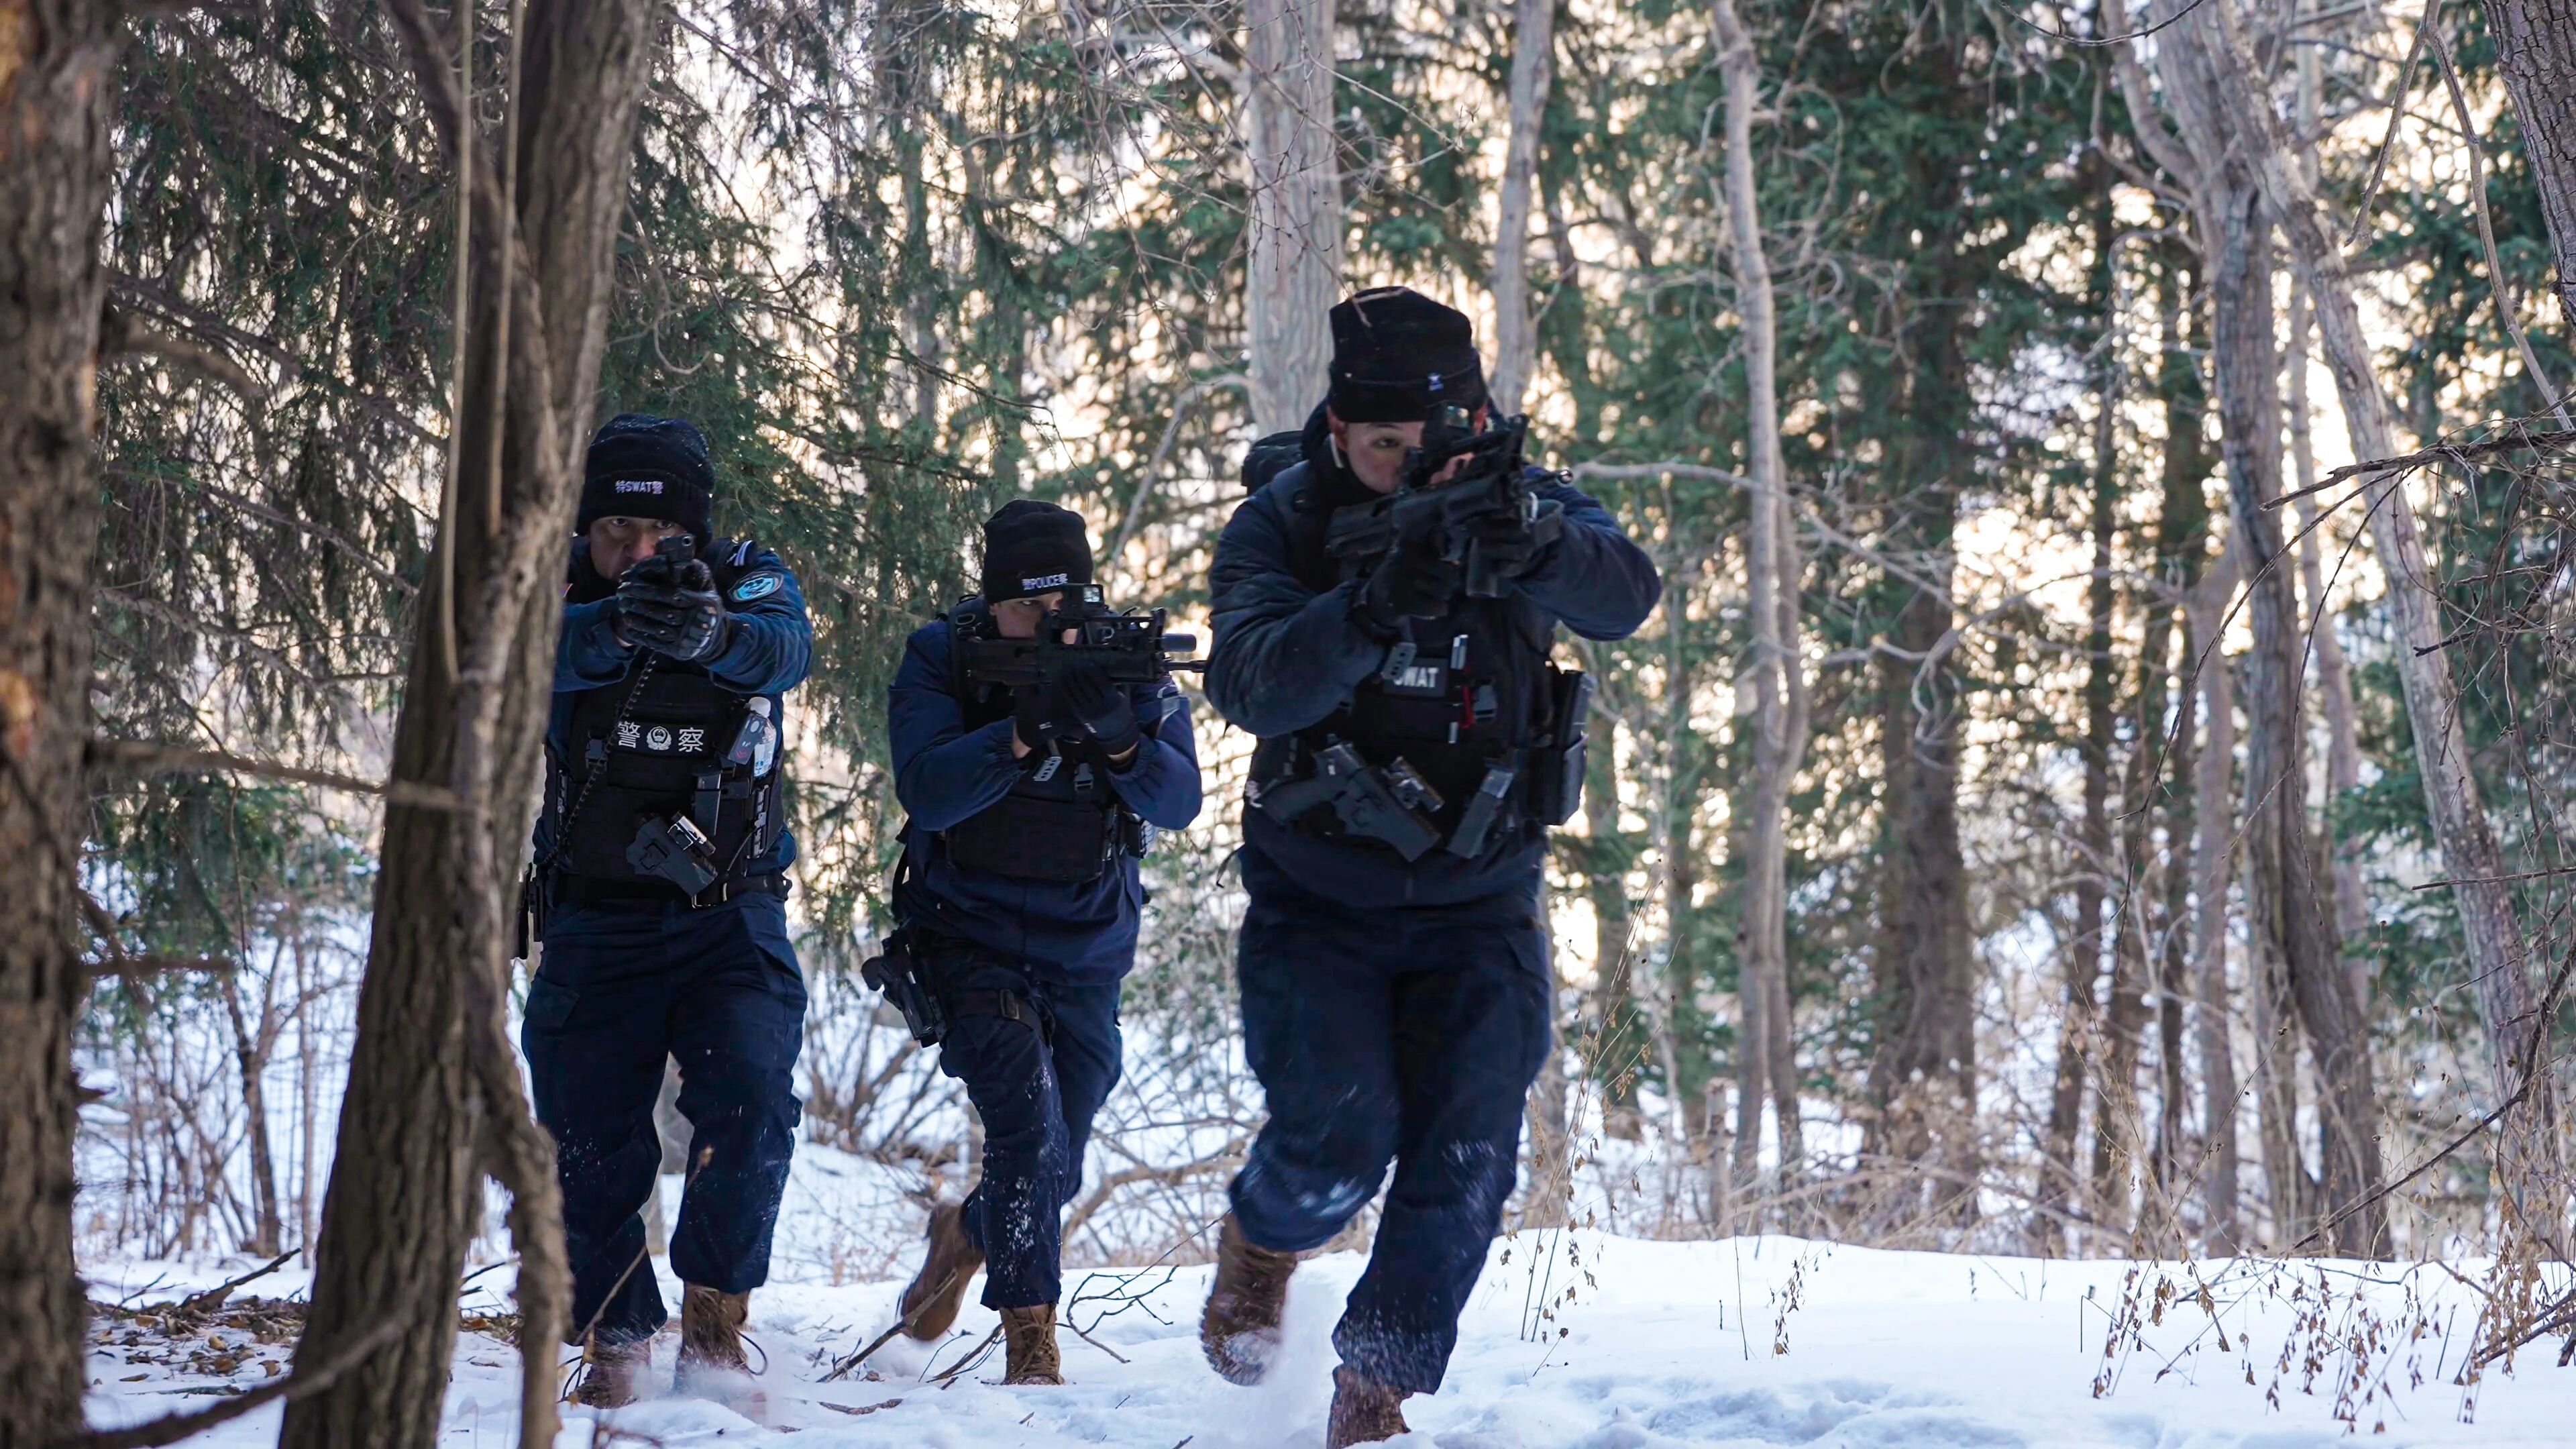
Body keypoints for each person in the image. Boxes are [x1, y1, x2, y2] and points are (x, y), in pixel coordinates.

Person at [1197, 288, 1661, 1446]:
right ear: (1341, 432)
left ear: (1481, 418)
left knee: (1467, 1149)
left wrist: (1541, 545)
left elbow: (1628, 594)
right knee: (1337, 1138)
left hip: (1481, 899)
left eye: (1433, 445)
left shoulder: (1524, 501)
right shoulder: (1286, 524)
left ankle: (1376, 1391)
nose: (1411, 470)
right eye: (1384, 447)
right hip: (1319, 900)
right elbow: (1251, 683)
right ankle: (1264, 1235)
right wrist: (1367, 605)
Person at [521, 414, 814, 1412]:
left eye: (660, 540)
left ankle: (715, 1319)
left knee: (753, 1102)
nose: (638, 555)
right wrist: (614, 630)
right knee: (584, 1134)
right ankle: (615, 1329)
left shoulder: (748, 577)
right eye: (615, 535)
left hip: (730, 918)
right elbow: (513, 657)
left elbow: (785, 648)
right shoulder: (556, 589)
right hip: (594, 919)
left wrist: (714, 635)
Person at [881, 500, 1203, 1384]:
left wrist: (1123, 739)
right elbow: (932, 793)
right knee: (1026, 1128)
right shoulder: (943, 656)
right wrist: (1022, 732)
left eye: (1071, 598)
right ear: (993, 607)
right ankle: (1032, 1347)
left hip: (1088, 949)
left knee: (1055, 1158)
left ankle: (967, 1235)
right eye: (1031, 606)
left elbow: (1178, 804)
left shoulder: (1123, 662)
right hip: (965, 935)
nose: (1054, 622)